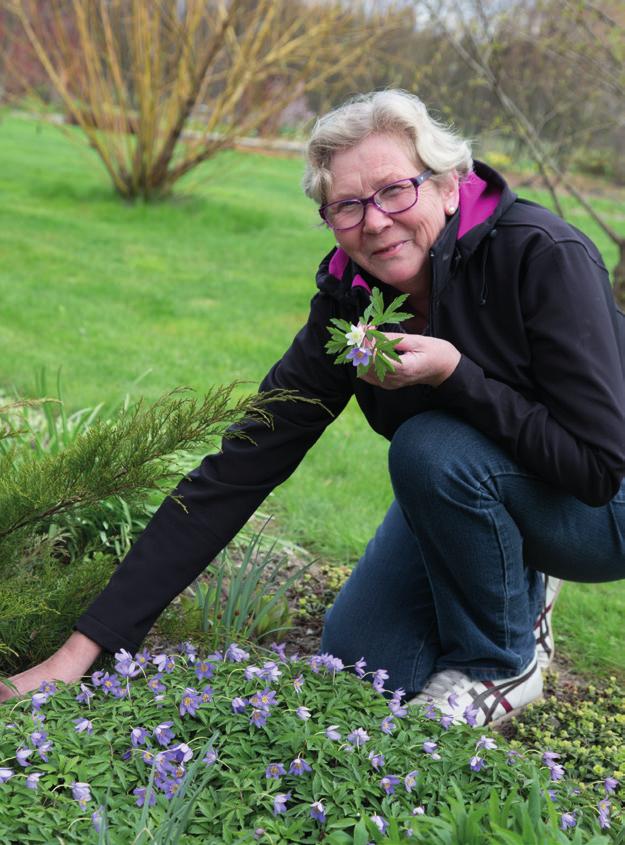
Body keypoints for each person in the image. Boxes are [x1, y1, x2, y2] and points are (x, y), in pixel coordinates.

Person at [3, 90, 625, 726]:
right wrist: (83, 650)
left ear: (448, 186)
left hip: (605, 508)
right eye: (347, 206)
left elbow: (597, 469)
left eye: (394, 190)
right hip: (472, 485)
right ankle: (513, 576)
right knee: (363, 661)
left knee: (431, 446)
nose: (375, 221)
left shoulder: (541, 254)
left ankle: (501, 662)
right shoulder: (351, 304)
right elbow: (241, 465)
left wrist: (454, 373)